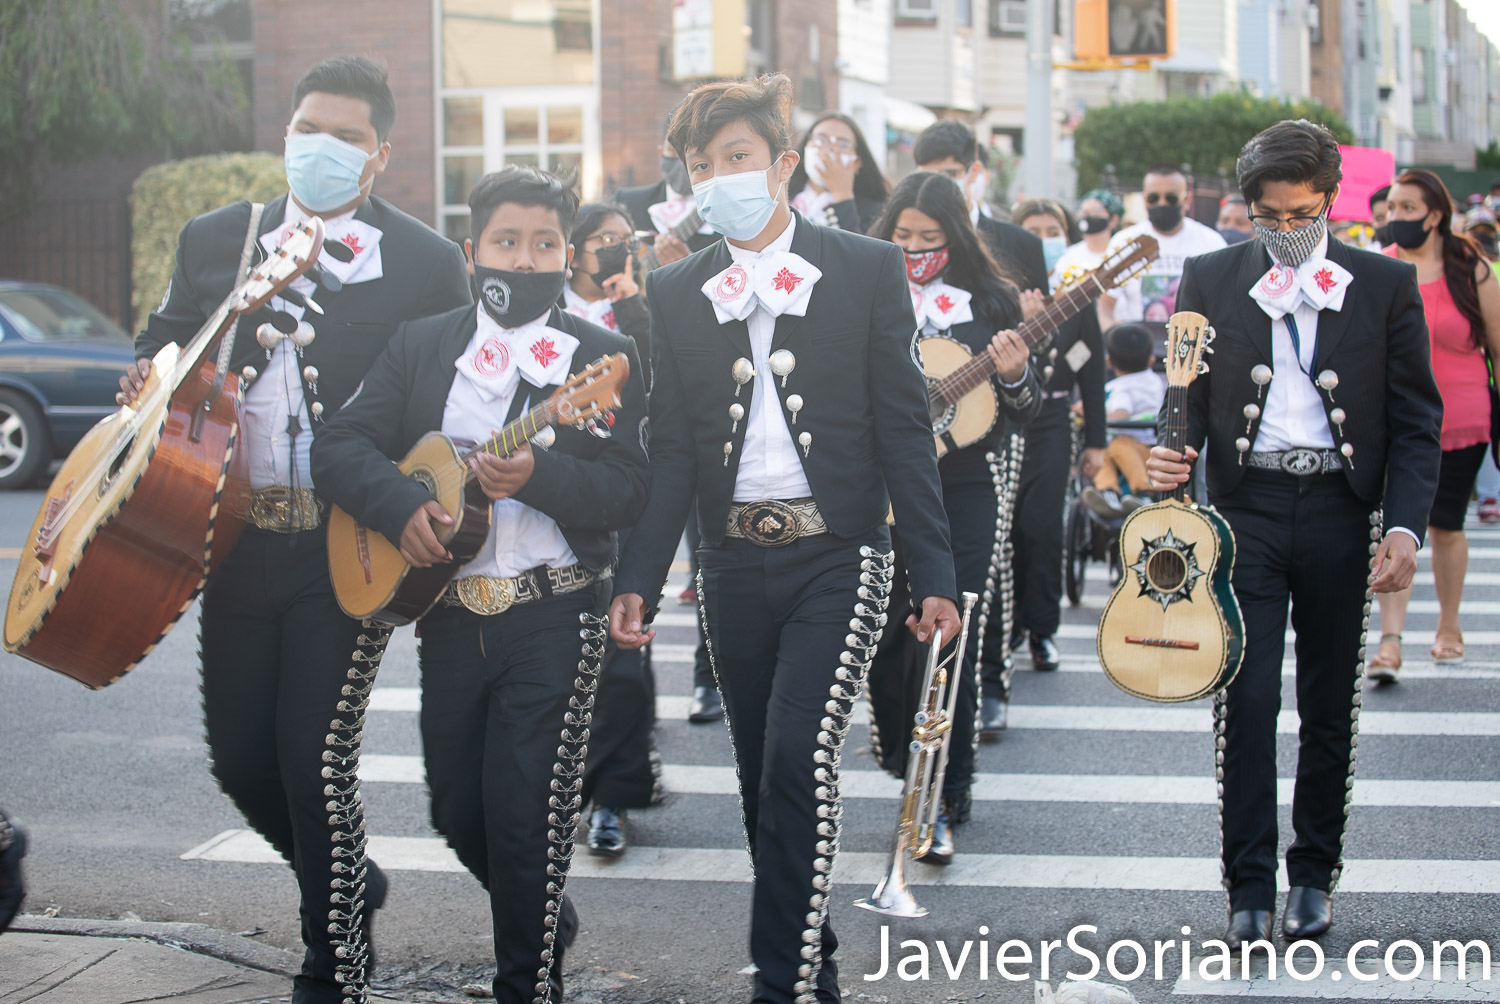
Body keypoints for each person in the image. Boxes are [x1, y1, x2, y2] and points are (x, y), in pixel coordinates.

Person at [119, 55, 472, 1004]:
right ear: (286, 138)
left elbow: (444, 412)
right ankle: (350, 881)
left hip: (346, 545)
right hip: (233, 538)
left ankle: (333, 960)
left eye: (348, 136)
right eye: (308, 129)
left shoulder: (431, 263)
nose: (323, 148)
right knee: (240, 758)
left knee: (316, 759)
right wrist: (154, 369)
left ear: (381, 155)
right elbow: (160, 337)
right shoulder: (218, 240)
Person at [608, 73, 960, 1004]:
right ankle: (812, 947)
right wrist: (640, 574)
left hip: (839, 556)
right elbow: (672, 448)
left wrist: (934, 571)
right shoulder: (676, 290)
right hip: (729, 563)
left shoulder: (863, 268)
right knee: (760, 775)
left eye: (737, 158)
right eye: (700, 166)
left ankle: (785, 980)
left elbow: (902, 431)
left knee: (798, 755)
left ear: (783, 165)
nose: (719, 177)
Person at [311, 166, 649, 1003]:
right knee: (459, 811)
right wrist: (398, 509)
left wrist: (537, 473)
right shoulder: (423, 345)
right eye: (507, 242)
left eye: (544, 245)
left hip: (555, 613)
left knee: (524, 820)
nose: (524, 259)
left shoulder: (602, 358)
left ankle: (527, 984)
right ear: (472, 252)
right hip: (450, 616)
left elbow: (629, 489)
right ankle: (542, 919)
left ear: (566, 256)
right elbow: (339, 444)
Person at [1146, 120, 1442, 949]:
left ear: (1331, 202)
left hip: (1344, 514)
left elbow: (1418, 423)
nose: (1285, 231)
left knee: (1326, 703)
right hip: (1249, 515)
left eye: (1302, 213)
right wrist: (1172, 458)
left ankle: (1313, 877)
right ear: (1245, 207)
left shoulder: (1383, 283)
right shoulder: (1210, 274)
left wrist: (1408, 531)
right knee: (1244, 697)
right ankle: (1247, 885)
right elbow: (1187, 403)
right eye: (1268, 215)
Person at [864, 170, 1043, 859]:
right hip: (879, 495)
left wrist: (1017, 372)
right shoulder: (863, 293)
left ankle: (940, 794)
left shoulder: (991, 301)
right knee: (883, 642)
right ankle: (899, 755)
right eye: (903, 236)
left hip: (962, 490)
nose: (914, 248)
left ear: (956, 237)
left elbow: (1024, 411)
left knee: (948, 645)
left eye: (930, 238)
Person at [1364, 169, 1500, 678]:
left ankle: (1448, 626)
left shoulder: (1472, 270)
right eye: (1391, 209)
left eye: (1406, 209)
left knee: (1446, 525)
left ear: (1435, 215)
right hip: (1393, 422)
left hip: (1461, 418)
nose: (1395, 218)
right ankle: (1390, 642)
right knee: (1394, 527)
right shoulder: (1380, 269)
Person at [560, 201, 663, 857]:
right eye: (603, 242)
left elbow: (660, 387)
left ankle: (615, 798)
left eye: (627, 242)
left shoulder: (644, 308)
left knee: (623, 654)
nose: (616, 252)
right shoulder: (549, 312)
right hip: (549, 494)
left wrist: (632, 310)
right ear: (573, 252)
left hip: (625, 492)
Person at [993, 201, 1108, 682]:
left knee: (1042, 526)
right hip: (999, 420)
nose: (1044, 238)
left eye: (1053, 230)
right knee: (1005, 528)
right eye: (1033, 231)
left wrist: (1096, 444)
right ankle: (1006, 628)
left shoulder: (1075, 297)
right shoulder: (994, 293)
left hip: (1053, 421)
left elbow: (1092, 366)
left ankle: (1041, 629)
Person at [913, 119, 1049, 294]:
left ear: (974, 171)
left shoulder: (1022, 245)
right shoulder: (900, 243)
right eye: (928, 175)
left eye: (950, 174)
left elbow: (1046, 313)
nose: (938, 184)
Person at [1099, 163, 1227, 329]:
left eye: (1171, 198)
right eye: (1154, 198)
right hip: (1140, 347)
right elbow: (1106, 302)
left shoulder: (1211, 243)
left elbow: (1223, 303)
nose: (1162, 204)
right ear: (1145, 200)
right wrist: (1111, 334)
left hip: (1193, 348)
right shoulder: (1124, 242)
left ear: (1187, 200)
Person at [1080, 323, 1165, 517]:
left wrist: (1090, 413)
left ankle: (1143, 493)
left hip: (1140, 451)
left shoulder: (1121, 388)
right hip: (1152, 449)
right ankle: (1108, 492)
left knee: (1113, 446)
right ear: (1151, 360)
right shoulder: (1153, 381)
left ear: (1109, 362)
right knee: (1106, 452)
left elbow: (1121, 414)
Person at [614, 120, 721, 270]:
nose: (682, 161)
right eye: (673, 151)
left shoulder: (727, 209)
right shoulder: (628, 202)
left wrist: (686, 266)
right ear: (660, 153)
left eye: (691, 152)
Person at [786, 111, 888, 233]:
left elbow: (860, 249)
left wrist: (843, 195)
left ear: (857, 162)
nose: (830, 149)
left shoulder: (874, 212)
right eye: (821, 140)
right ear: (805, 150)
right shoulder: (782, 195)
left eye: (842, 144)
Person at [1053, 188, 1123, 286]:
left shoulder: (1121, 252)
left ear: (1113, 220)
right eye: (1084, 212)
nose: (1088, 217)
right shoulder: (1069, 256)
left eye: (1095, 212)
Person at [1012, 198, 1080, 291]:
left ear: (1066, 237)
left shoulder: (1078, 284)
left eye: (1053, 233)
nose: (1044, 240)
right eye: (1033, 234)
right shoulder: (1007, 288)